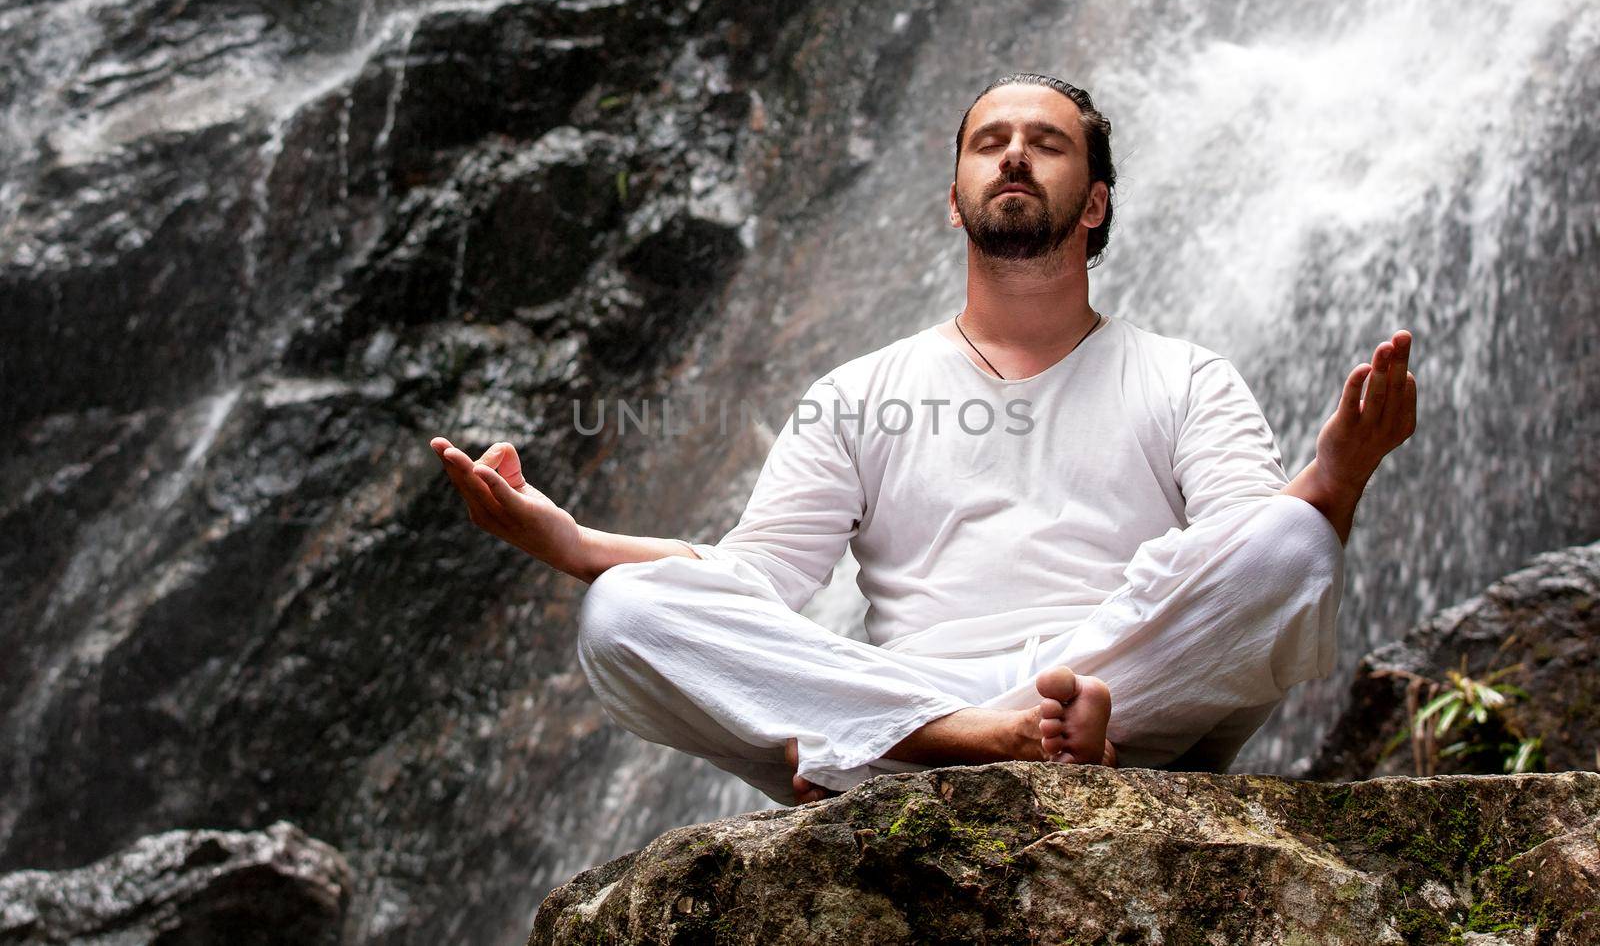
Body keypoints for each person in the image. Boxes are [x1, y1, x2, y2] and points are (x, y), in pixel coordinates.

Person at [430, 73, 1417, 807]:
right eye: (989, 141)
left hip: (1115, 698)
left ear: (1098, 201)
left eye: (1046, 141)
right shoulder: (859, 391)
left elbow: (1249, 567)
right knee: (621, 612)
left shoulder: (1186, 376)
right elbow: (754, 577)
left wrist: (1339, 474)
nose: (1015, 154)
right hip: (919, 696)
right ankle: (950, 737)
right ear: (954, 199)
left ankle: (880, 748)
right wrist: (571, 544)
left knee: (1293, 542)